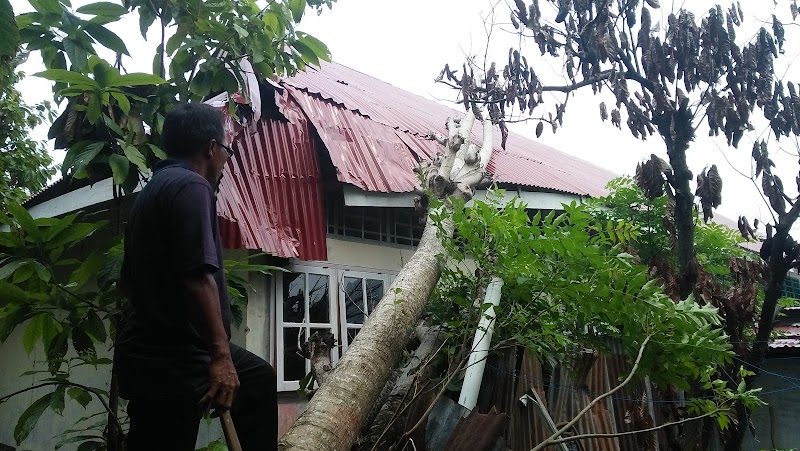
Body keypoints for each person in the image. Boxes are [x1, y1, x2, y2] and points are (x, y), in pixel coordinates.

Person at [115, 103, 277, 451]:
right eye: (227, 152)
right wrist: (220, 357)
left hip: (158, 350)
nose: (224, 164)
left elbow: (125, 283)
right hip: (172, 361)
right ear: (211, 148)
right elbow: (198, 277)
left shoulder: (152, 190)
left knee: (258, 378)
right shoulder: (192, 186)